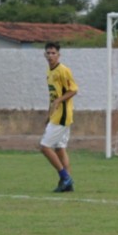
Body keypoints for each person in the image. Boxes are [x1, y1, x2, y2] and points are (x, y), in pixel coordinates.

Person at [39, 41, 79, 193]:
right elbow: (53, 95)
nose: (50, 56)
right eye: (48, 53)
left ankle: (65, 177)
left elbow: (73, 90)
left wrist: (58, 101)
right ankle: (68, 185)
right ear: (44, 55)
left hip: (63, 116)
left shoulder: (63, 70)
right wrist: (49, 115)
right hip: (56, 115)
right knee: (60, 149)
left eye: (53, 53)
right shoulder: (49, 71)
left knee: (44, 147)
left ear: (58, 55)